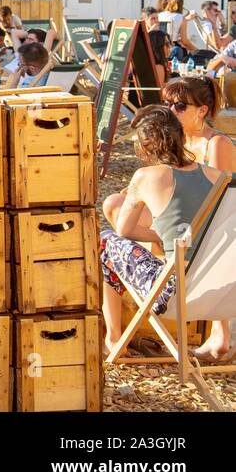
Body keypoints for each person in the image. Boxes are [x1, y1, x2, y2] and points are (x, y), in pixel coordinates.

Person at [99, 105, 230, 362]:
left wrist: (159, 237)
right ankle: (218, 338)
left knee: (107, 241)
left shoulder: (146, 176)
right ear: (181, 137)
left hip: (172, 296)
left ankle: (114, 339)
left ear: (144, 147)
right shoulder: (219, 177)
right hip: (221, 293)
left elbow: (124, 229)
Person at [158, 76, 236, 171]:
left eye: (180, 106)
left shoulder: (217, 144)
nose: (171, 110)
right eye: (167, 103)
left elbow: (215, 185)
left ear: (202, 111)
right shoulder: (173, 138)